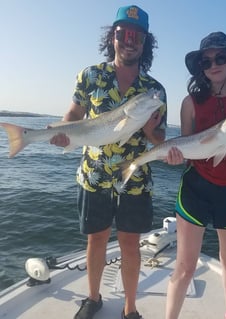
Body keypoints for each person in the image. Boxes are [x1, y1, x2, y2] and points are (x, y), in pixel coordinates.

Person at [50, 5, 167, 319]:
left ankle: (130, 309)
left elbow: (160, 140)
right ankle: (93, 298)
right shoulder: (90, 75)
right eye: (123, 34)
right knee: (97, 238)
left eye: (137, 36)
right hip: (94, 174)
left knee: (130, 244)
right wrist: (63, 132)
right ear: (112, 37)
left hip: (136, 178)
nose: (130, 41)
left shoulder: (154, 91)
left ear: (146, 43)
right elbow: (74, 115)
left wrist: (148, 129)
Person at [165, 32, 226, 319]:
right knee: (184, 266)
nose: (214, 64)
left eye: (220, 57)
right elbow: (186, 146)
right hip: (196, 187)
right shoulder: (190, 102)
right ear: (201, 67)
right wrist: (175, 156)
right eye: (206, 61)